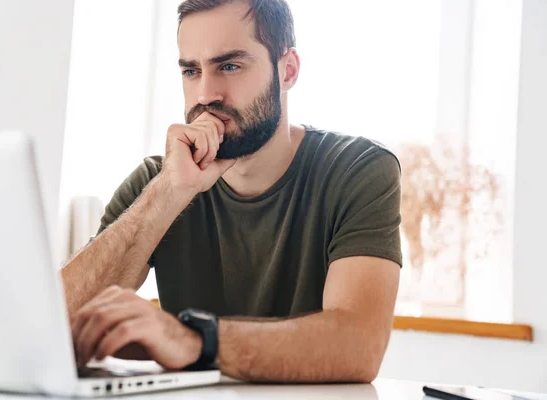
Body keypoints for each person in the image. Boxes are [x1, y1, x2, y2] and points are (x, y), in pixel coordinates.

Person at [63, 0, 402, 383]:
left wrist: (193, 340)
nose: (206, 94)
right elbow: (54, 323)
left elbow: (359, 346)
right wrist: (169, 193)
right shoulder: (157, 182)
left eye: (229, 66)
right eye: (191, 70)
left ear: (287, 70)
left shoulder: (358, 170)